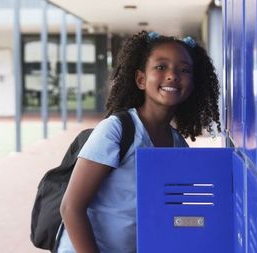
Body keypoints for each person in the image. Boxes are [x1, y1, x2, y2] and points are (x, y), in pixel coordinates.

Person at [58, 30, 221, 253]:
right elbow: (70, 207)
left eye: (184, 70)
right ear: (141, 79)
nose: (172, 75)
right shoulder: (116, 130)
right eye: (161, 67)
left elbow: (173, 214)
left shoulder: (178, 145)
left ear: (193, 83)